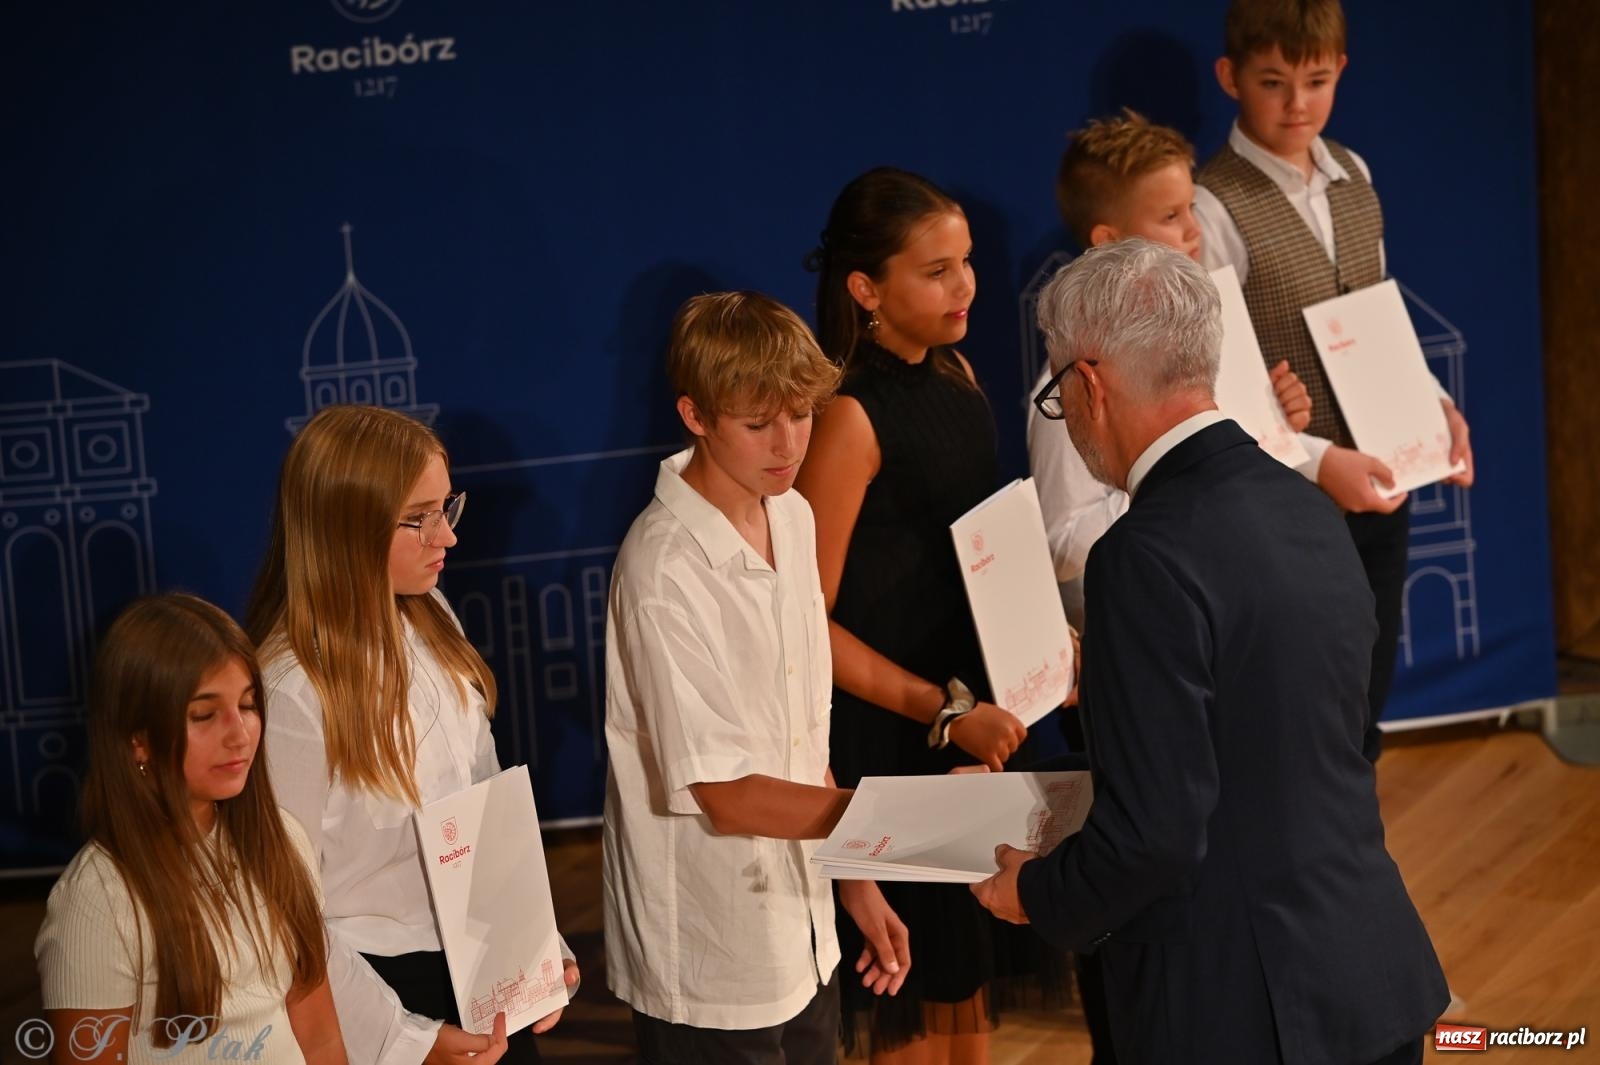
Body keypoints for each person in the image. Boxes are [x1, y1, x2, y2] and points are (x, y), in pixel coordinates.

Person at [973, 239, 1448, 1065]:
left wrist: (1034, 893)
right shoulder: (1305, 506)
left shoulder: (1138, 558)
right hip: (1371, 978)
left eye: (1059, 393)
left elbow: (1155, 834)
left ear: (1089, 384)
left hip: (1243, 1012)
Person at [602, 291, 911, 1065]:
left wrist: (855, 881)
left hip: (802, 930)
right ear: (695, 415)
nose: (789, 444)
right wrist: (890, 826)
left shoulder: (794, 517)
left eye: (802, 414)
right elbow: (726, 790)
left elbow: (802, 735)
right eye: (757, 422)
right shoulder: (662, 569)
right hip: (712, 953)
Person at [795, 166, 1039, 1064]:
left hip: (973, 735)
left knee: (965, 986)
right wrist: (939, 711)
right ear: (866, 289)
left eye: (966, 262)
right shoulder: (848, 416)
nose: (966, 285)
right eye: (936, 270)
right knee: (903, 1002)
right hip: (895, 737)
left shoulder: (959, 371)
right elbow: (804, 626)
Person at [247, 404, 577, 1065]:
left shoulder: (431, 616)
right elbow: (287, 909)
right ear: (346, 526)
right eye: (417, 518)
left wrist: (537, 949)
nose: (448, 537)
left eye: (446, 507)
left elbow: (484, 805)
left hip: (481, 959)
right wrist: (404, 1038)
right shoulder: (289, 690)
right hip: (377, 988)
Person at [1191, 0, 1474, 761]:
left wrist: (1437, 408)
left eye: (1316, 81)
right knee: (1297, 704)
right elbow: (1220, 382)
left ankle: (1350, 868)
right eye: (1274, 82)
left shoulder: (1354, 172)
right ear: (1231, 77)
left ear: (1341, 71)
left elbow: (1378, 315)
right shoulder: (1212, 203)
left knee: (1364, 693)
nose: (1297, 104)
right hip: (1286, 490)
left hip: (1380, 474)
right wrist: (1317, 460)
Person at [1028, 108, 1310, 631]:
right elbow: (1061, 543)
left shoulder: (1204, 337)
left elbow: (1246, 457)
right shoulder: (1069, 383)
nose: (1193, 233)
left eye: (1191, 209)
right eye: (1169, 217)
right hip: (1140, 623)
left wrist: (1281, 426)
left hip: (1226, 604)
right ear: (1108, 241)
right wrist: (1176, 488)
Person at [35, 593, 344, 1065]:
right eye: (204, 715)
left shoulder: (282, 840)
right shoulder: (98, 898)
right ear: (138, 739)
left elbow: (319, 1035)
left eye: (247, 705)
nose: (238, 733)